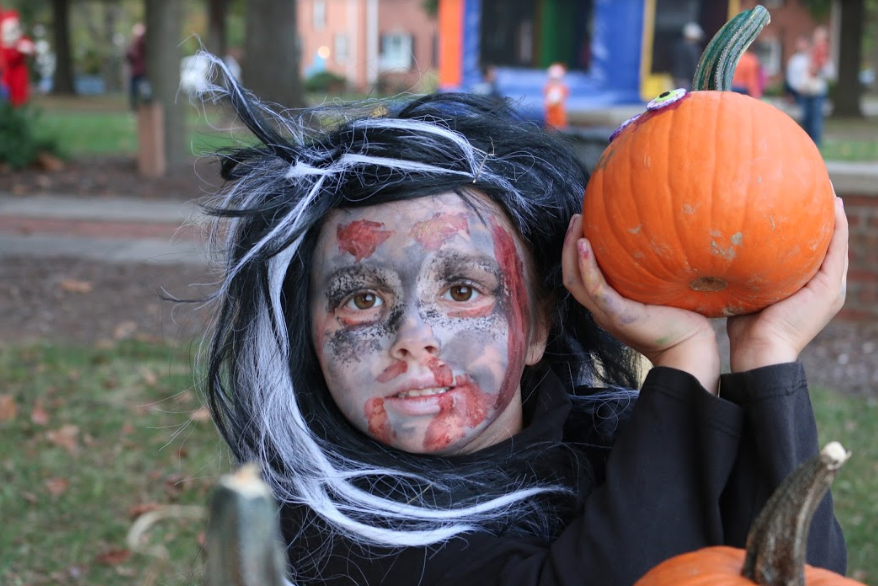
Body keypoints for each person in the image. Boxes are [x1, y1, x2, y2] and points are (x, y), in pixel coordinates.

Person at [198, 60, 848, 586]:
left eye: (460, 289)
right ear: (310, 336)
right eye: (361, 300)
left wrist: (769, 353)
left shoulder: (617, 437)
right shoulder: (332, 531)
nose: (412, 337)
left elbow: (797, 573)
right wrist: (683, 365)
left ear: (538, 322)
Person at [786, 29, 834, 145]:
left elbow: (830, 73)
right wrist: (798, 87)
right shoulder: (797, 60)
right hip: (804, 92)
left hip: (817, 91)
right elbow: (792, 76)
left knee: (816, 117)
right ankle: (807, 141)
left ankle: (816, 142)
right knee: (806, 117)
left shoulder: (821, 55)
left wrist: (820, 69)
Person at [0, 9, 34, 107]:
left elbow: (30, 49)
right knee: (6, 96)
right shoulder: (3, 45)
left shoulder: (22, 41)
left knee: (19, 96)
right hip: (6, 74)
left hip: (19, 73)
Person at [671, 22, 703, 90]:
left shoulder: (678, 45)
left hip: (675, 77)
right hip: (686, 79)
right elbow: (694, 64)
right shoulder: (692, 48)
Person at [125, 22, 146, 110]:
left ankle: (140, 108)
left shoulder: (141, 42)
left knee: (140, 91)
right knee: (134, 92)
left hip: (141, 72)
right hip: (136, 72)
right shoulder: (135, 44)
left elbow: (135, 55)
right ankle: (135, 108)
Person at [543, 62, 568, 129]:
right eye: (552, 79)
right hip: (551, 117)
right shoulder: (549, 87)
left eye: (556, 79)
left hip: (558, 117)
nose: (554, 81)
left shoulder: (561, 88)